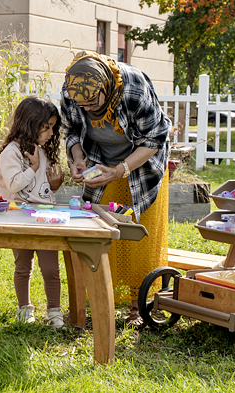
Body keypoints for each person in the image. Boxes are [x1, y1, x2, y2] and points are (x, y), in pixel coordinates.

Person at [61, 51, 171, 327]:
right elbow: (72, 130)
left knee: (137, 235)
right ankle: (102, 300)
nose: (86, 109)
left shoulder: (134, 89)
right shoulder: (71, 88)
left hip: (141, 162)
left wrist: (121, 170)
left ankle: (140, 307)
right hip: (100, 160)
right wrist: (77, 158)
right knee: (101, 232)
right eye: (80, 103)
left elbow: (155, 137)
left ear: (106, 88)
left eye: (91, 103)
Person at [0, 96, 65, 328]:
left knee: (51, 268)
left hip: (45, 217)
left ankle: (54, 310)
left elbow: (41, 190)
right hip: (19, 216)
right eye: (46, 127)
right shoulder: (12, 153)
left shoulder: (42, 150)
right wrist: (34, 168)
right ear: (30, 124)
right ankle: (25, 308)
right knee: (23, 266)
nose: (51, 133)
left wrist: (54, 185)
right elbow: (14, 185)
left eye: (53, 127)